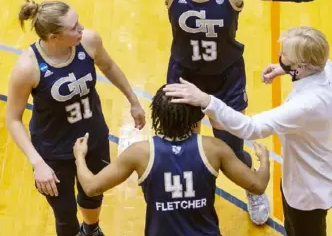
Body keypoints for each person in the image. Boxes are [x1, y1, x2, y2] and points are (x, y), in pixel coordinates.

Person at [7, 0, 332, 224]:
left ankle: (252, 190)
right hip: (183, 75)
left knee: (231, 146)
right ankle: (185, 193)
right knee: (179, 142)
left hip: (226, 78)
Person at [164, 26, 332, 236]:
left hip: (307, 191)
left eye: (284, 55)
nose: (279, 56)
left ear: (302, 66)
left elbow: (251, 127)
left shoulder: (307, 105)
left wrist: (206, 100)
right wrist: (285, 69)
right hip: (306, 174)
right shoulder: (326, 68)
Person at [5, 0, 146, 236]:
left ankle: (91, 229)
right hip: (53, 149)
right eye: (73, 28)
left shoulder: (89, 41)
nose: (81, 29)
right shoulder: (27, 68)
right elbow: (13, 119)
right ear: (53, 37)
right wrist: (37, 162)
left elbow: (109, 66)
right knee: (64, 212)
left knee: (93, 192)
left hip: (93, 136)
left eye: (78, 22)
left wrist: (133, 100)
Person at [73, 84, 271, 236]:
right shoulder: (213, 148)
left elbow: (91, 187)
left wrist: (80, 157)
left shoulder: (140, 153)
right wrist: (264, 161)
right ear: (195, 117)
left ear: (158, 115)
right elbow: (258, 185)